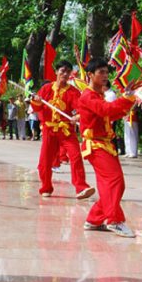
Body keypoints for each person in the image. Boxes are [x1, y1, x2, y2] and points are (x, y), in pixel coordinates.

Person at [78, 58, 136, 238]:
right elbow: (106, 111)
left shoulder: (98, 95)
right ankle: (114, 221)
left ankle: (94, 219)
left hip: (105, 144)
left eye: (106, 72)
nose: (105, 75)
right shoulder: (88, 96)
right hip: (95, 145)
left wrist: (127, 101)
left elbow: (110, 115)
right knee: (114, 181)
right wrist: (125, 100)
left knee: (111, 184)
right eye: (101, 72)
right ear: (90, 75)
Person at [31, 60, 95, 199]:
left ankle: (81, 187)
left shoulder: (73, 92)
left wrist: (77, 116)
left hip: (66, 129)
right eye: (62, 71)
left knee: (76, 156)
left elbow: (80, 109)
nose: (65, 74)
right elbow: (37, 108)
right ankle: (46, 187)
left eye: (68, 71)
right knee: (45, 161)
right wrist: (36, 100)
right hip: (49, 130)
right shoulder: (47, 89)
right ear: (57, 72)